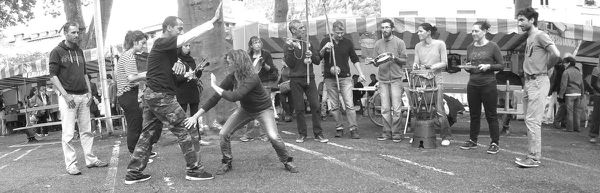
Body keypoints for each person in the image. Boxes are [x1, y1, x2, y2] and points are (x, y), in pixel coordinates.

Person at [123, 4, 222, 184]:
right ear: (168, 28)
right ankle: (194, 170)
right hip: (161, 97)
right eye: (179, 28)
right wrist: (212, 21)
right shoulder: (162, 42)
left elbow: (163, 73)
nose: (181, 32)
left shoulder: (165, 51)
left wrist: (185, 74)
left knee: (148, 134)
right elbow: (187, 38)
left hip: (152, 95)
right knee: (186, 128)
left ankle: (133, 173)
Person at [185, 49, 298, 175]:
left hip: (263, 110)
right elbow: (214, 98)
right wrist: (195, 116)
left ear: (238, 63)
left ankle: (286, 160)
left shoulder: (252, 77)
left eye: (229, 63)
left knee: (273, 136)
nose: (227, 65)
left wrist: (214, 85)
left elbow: (235, 96)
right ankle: (226, 161)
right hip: (246, 110)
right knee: (223, 133)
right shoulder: (232, 78)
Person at [49, 22, 109, 175]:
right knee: (68, 133)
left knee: (86, 130)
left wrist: (89, 92)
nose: (77, 35)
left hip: (83, 96)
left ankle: (90, 159)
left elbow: (84, 74)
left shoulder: (80, 51)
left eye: (78, 32)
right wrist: (65, 95)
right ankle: (71, 164)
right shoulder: (57, 52)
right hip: (68, 97)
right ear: (66, 33)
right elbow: (53, 76)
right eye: (73, 32)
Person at [514, 7, 560, 168]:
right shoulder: (530, 37)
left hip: (538, 81)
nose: (519, 23)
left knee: (533, 121)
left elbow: (556, 54)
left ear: (532, 20)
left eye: (522, 20)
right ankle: (531, 155)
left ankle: (534, 158)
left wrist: (546, 68)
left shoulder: (540, 35)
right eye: (518, 20)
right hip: (530, 82)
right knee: (529, 120)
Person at [459, 21, 504, 154]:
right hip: (473, 84)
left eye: (476, 31)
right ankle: (473, 141)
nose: (473, 33)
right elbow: (470, 66)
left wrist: (488, 66)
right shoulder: (470, 47)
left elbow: (501, 65)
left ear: (484, 32)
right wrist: (467, 68)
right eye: (472, 31)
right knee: (474, 114)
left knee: (491, 115)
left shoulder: (493, 46)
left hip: (488, 84)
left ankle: (495, 142)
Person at [114, 30, 162, 156]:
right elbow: (132, 77)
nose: (144, 46)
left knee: (138, 122)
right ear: (135, 42)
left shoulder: (127, 55)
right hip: (127, 94)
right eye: (142, 43)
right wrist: (149, 73)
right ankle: (134, 152)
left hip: (129, 94)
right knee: (134, 124)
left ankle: (142, 150)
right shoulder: (129, 56)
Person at [319, 20, 366, 139]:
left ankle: (353, 129)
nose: (340, 35)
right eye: (337, 32)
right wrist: (325, 48)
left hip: (345, 77)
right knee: (334, 106)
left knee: (349, 104)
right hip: (330, 78)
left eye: (342, 32)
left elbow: (355, 59)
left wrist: (361, 73)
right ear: (332, 31)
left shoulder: (348, 42)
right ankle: (339, 127)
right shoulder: (325, 41)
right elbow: (318, 57)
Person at [284, 19, 327, 143]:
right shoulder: (288, 44)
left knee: (316, 105)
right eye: (301, 28)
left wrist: (311, 55)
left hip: (310, 77)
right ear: (293, 30)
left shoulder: (308, 43)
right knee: (299, 108)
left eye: (303, 27)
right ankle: (302, 134)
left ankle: (318, 133)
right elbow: (290, 64)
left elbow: (317, 60)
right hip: (295, 79)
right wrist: (291, 50)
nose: (304, 29)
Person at [412, 22, 451, 146]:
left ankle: (445, 136)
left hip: (436, 79)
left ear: (428, 32)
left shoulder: (440, 44)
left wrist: (432, 67)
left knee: (439, 109)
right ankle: (419, 134)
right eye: (418, 31)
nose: (418, 33)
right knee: (420, 108)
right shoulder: (418, 46)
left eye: (420, 31)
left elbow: (444, 63)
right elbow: (416, 62)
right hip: (422, 80)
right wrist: (415, 66)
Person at [370, 19, 408, 142]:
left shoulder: (400, 42)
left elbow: (404, 61)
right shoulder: (377, 44)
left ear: (392, 28)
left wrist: (394, 58)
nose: (384, 30)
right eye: (383, 27)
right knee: (385, 108)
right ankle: (386, 132)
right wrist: (372, 61)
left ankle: (396, 133)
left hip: (396, 79)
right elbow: (376, 63)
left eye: (387, 27)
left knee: (397, 108)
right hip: (382, 80)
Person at [240, 36, 278, 142]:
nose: (257, 44)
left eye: (259, 42)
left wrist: (264, 64)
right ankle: (249, 134)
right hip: (251, 84)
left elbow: (272, 70)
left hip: (264, 83)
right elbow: (244, 70)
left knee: (264, 108)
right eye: (255, 43)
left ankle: (264, 134)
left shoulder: (266, 54)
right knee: (249, 107)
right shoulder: (247, 56)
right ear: (251, 46)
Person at [558, 55, 583, 132]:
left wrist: (561, 95)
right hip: (578, 93)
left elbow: (563, 85)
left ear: (568, 63)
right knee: (577, 112)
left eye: (565, 63)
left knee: (570, 112)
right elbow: (582, 84)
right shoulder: (578, 72)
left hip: (569, 94)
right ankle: (577, 128)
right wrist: (582, 93)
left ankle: (569, 128)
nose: (564, 64)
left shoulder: (566, 72)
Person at [549, 58, 567, 129]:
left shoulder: (557, 70)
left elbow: (554, 81)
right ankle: (558, 122)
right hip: (561, 90)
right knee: (561, 107)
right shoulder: (563, 70)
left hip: (557, 89)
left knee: (556, 106)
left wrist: (551, 90)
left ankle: (555, 121)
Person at [588, 56, 600, 143]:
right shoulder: (597, 69)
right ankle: (593, 135)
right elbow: (593, 83)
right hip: (598, 95)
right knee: (596, 116)